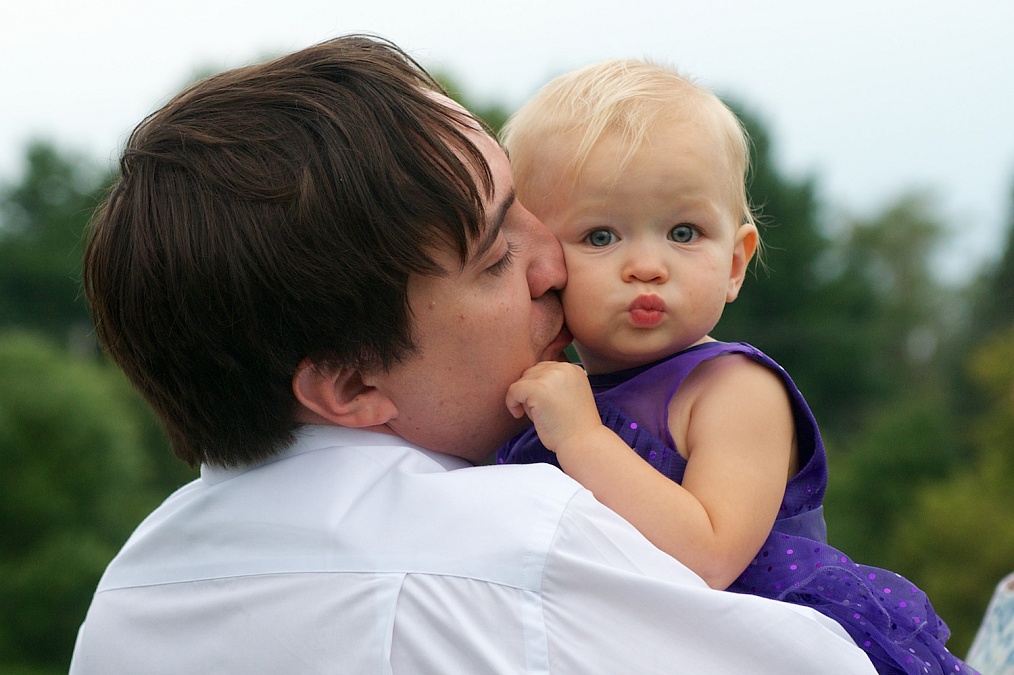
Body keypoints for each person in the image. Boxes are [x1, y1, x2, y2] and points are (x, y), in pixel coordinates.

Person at [68, 35, 879, 673]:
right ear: (351, 381)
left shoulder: (127, 598)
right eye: (495, 258)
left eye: (531, 214)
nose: (555, 267)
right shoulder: (526, 543)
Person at [496, 59, 974, 675]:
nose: (647, 265)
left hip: (770, 646)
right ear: (541, 260)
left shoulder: (731, 389)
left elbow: (711, 555)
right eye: (600, 237)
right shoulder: (557, 387)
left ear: (735, 262)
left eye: (684, 232)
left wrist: (583, 438)